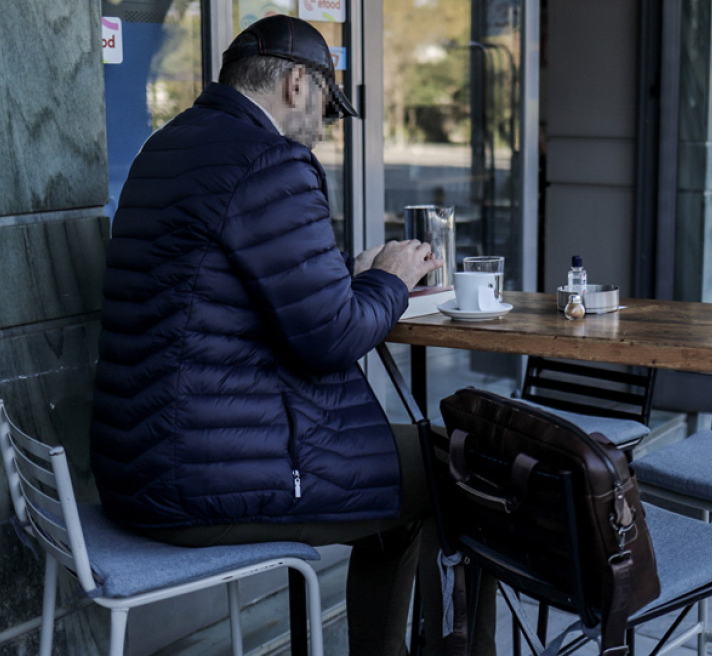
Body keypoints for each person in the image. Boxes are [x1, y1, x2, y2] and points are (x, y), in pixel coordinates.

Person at [89, 15, 494, 655]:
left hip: (137, 465)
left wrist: (345, 277)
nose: (325, 126)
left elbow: (228, 291)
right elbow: (330, 339)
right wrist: (388, 279)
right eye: (328, 108)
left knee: (405, 483)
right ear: (298, 84)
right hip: (208, 480)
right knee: (460, 470)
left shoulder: (166, 149)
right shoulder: (270, 160)